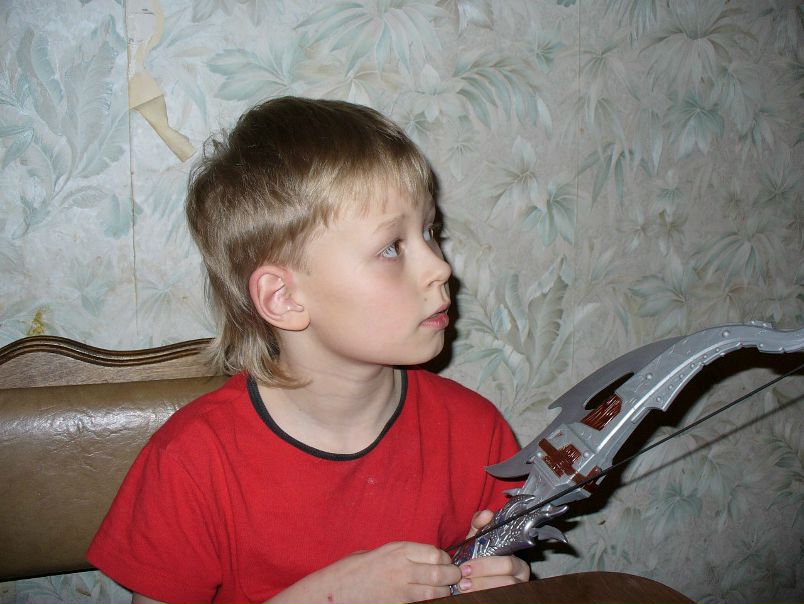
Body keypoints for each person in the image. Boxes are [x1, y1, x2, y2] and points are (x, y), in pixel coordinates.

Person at [87, 96, 529, 603]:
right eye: (391, 247)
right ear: (284, 298)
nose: (440, 267)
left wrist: (501, 587)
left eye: (429, 231)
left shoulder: (475, 432)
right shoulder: (192, 464)